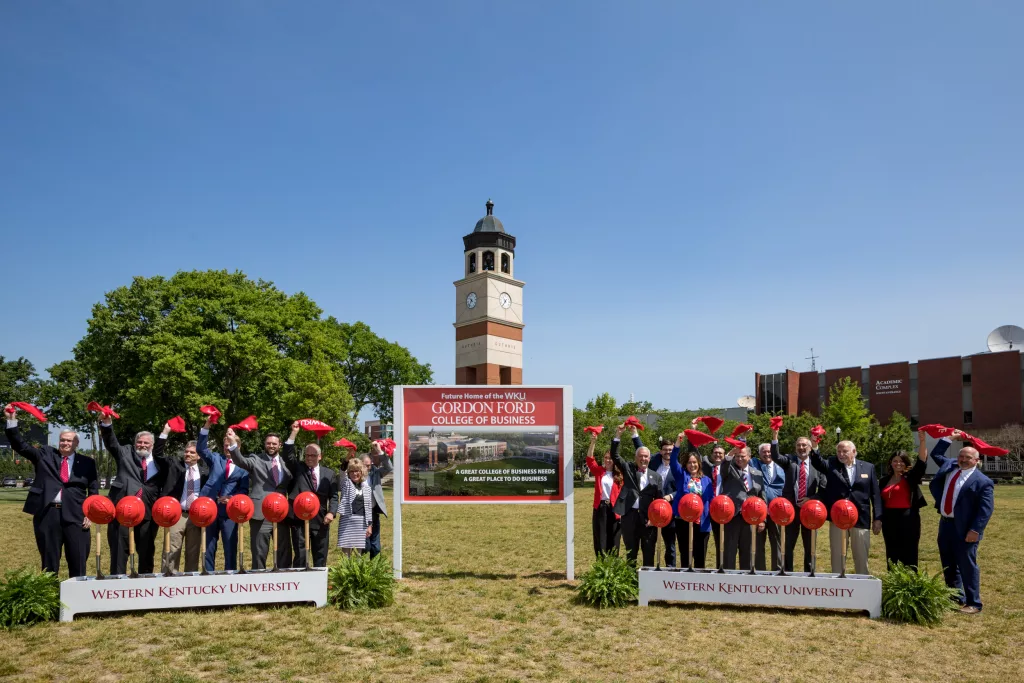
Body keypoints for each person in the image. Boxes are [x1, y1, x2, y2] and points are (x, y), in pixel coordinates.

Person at [5, 406, 97, 577]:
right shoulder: (45, 454)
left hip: (76, 516)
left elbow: (94, 490)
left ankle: (76, 599)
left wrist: (90, 513)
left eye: (69, 441)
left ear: (76, 443)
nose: (65, 443)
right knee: (49, 564)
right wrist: (11, 421)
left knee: (78, 561)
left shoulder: (87, 463)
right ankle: (49, 600)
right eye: (62, 440)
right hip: (47, 515)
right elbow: (21, 446)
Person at [927, 432, 995, 614]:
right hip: (945, 524)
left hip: (965, 528)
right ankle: (955, 596)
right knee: (948, 562)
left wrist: (975, 530)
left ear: (976, 460)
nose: (963, 460)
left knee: (966, 564)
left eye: (968, 457)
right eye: (961, 456)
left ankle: (974, 603)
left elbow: (985, 510)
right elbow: (936, 455)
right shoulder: (950, 466)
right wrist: (949, 438)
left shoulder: (983, 482)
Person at [100, 413, 164, 574]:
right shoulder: (125, 453)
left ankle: (145, 585)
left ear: (152, 445)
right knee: (119, 551)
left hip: (148, 513)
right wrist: (107, 423)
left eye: (146, 443)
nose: (142, 445)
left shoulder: (160, 461)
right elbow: (111, 443)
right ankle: (117, 584)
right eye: (139, 442)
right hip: (122, 511)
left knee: (147, 552)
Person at [809, 439, 882, 575]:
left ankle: (862, 585)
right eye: (839, 451)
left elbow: (875, 495)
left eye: (845, 451)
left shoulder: (868, 467)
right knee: (837, 556)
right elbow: (817, 462)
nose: (841, 454)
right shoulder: (832, 464)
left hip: (861, 518)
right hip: (838, 518)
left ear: (854, 452)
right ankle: (838, 586)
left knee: (861, 556)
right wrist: (815, 446)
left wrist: (878, 518)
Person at [226, 431, 293, 569]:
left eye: (274, 443)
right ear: (264, 444)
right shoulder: (256, 459)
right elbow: (240, 461)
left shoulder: (286, 463)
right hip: (260, 513)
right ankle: (259, 582)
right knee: (259, 553)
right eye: (268, 443)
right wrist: (232, 443)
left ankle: (284, 583)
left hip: (281, 514)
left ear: (279, 445)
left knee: (284, 553)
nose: (271, 446)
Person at [769, 429, 826, 572]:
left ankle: (810, 572)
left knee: (810, 544)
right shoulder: (790, 461)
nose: (801, 448)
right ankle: (787, 572)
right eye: (798, 446)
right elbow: (775, 456)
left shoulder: (818, 465)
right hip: (791, 510)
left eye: (804, 445)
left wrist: (810, 499)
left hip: (811, 511)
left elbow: (824, 489)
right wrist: (775, 436)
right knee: (788, 544)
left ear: (810, 447)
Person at [197, 419, 250, 571]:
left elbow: (244, 490)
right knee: (207, 547)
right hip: (209, 509)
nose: (227, 448)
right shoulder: (215, 459)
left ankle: (230, 576)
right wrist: (206, 426)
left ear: (238, 446)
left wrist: (232, 499)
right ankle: (207, 575)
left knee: (230, 547)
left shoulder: (243, 466)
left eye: (230, 445)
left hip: (229, 512)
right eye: (225, 446)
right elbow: (201, 449)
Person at [155, 422, 208, 573]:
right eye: (186, 452)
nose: (188, 454)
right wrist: (165, 431)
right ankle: (168, 579)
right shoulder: (174, 464)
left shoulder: (205, 472)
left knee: (193, 552)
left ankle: (189, 583)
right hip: (177, 514)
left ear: (199, 455)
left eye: (192, 452)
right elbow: (158, 455)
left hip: (196, 516)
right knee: (171, 549)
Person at [283, 422, 338, 568]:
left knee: (320, 555)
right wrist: (294, 433)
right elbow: (288, 455)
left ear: (320, 456)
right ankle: (299, 586)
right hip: (299, 520)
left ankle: (319, 587)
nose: (309, 458)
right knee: (301, 556)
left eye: (313, 455)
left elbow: (334, 496)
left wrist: (332, 512)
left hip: (321, 521)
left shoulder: (329, 474)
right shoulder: (298, 469)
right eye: (307, 455)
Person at [610, 423, 663, 566]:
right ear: (636, 458)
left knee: (648, 553)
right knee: (630, 553)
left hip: (648, 519)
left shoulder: (656, 477)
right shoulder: (628, 469)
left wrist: (654, 519)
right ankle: (631, 584)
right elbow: (614, 455)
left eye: (646, 456)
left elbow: (659, 500)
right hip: (630, 517)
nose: (643, 459)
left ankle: (647, 583)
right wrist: (618, 435)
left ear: (649, 459)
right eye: (640, 456)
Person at [877, 438, 929, 569]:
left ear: (905, 463)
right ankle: (894, 582)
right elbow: (878, 502)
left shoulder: (910, 477)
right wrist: (877, 519)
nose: (898, 464)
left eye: (901, 461)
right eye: (895, 461)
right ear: (890, 463)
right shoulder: (884, 481)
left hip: (908, 519)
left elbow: (922, 461)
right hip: (889, 520)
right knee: (892, 553)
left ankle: (909, 583)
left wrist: (922, 441)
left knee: (909, 554)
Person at [669, 433, 714, 568]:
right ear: (686, 464)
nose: (692, 465)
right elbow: (672, 460)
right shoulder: (681, 475)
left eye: (694, 462)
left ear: (699, 464)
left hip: (702, 523)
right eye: (689, 462)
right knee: (685, 555)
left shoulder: (706, 480)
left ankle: (699, 584)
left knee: (700, 556)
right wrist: (678, 442)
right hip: (683, 521)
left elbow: (710, 500)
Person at [720, 443, 765, 570]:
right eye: (737, 456)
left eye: (742, 456)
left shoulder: (757, 473)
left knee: (748, 551)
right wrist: (730, 454)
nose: (739, 459)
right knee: (730, 551)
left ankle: (745, 579)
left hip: (751, 518)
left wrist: (762, 519)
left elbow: (762, 496)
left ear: (749, 457)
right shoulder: (729, 470)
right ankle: (728, 578)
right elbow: (724, 467)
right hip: (732, 516)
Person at [584, 431, 622, 557]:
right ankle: (601, 565)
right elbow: (590, 459)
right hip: (600, 508)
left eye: (610, 458)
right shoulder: (599, 471)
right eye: (606, 458)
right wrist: (593, 442)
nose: (608, 460)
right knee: (600, 537)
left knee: (614, 537)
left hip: (615, 509)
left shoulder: (620, 475)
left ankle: (613, 565)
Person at [750, 443, 785, 571]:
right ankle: (760, 571)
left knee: (777, 542)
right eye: (764, 452)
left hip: (778, 512)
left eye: (769, 451)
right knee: (758, 544)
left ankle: (778, 569)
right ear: (759, 454)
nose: (767, 454)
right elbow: (743, 453)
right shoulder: (754, 465)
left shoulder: (781, 467)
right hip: (759, 512)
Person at [647, 436, 678, 567]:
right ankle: (651, 568)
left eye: (670, 450)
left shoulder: (678, 468)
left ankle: (670, 569)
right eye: (665, 450)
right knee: (650, 543)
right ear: (660, 451)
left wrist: (671, 496)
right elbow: (641, 450)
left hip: (670, 512)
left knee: (670, 544)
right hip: (652, 510)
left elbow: (683, 488)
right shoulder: (654, 465)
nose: (668, 452)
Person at [362, 442, 393, 558]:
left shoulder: (375, 472)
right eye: (365, 465)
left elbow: (389, 467)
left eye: (369, 465)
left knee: (375, 545)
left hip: (374, 511)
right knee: (365, 545)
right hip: (361, 512)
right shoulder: (356, 475)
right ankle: (363, 569)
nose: (367, 468)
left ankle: (375, 569)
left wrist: (380, 452)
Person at [336, 458, 373, 556]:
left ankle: (356, 572)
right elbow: (342, 472)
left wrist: (369, 525)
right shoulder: (346, 483)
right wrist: (347, 457)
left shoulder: (367, 488)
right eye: (351, 471)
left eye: (357, 471)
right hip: (347, 521)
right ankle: (345, 571)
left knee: (358, 554)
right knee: (346, 555)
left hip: (361, 523)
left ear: (361, 472)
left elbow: (368, 508)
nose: (354, 473)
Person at [701, 442, 727, 564]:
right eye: (715, 453)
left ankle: (720, 567)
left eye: (720, 453)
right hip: (706, 508)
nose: (717, 455)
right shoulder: (705, 468)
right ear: (711, 455)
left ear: (724, 455)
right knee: (703, 540)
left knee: (721, 541)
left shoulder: (729, 469)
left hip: (721, 509)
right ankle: (700, 568)